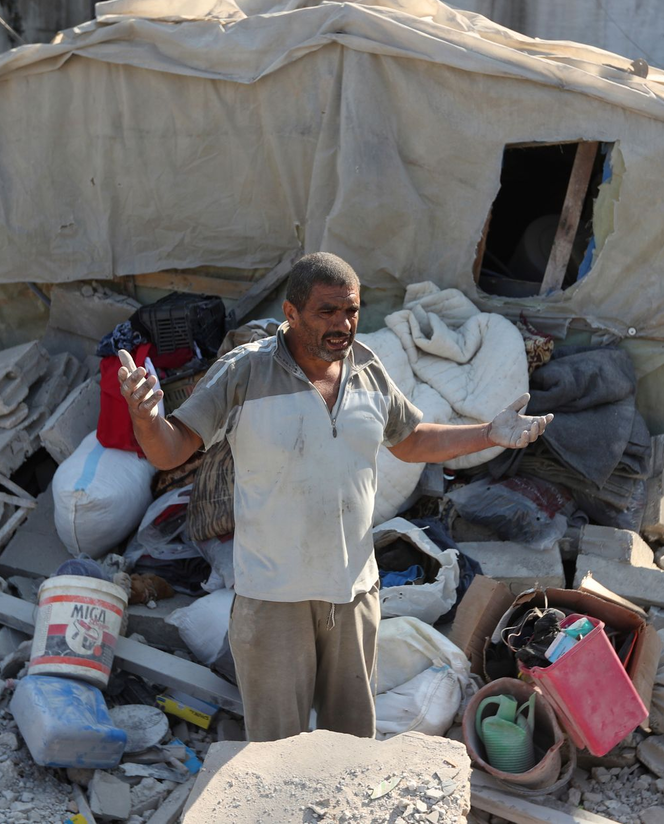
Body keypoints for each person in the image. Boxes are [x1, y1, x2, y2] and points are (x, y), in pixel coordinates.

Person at [118, 252, 552, 741]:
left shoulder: (368, 369)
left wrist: (489, 433)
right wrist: (146, 419)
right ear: (291, 312)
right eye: (327, 311)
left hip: (352, 595)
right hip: (274, 599)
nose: (343, 324)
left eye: (351, 310)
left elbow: (412, 441)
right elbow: (171, 450)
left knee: (349, 745)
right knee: (277, 746)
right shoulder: (244, 372)